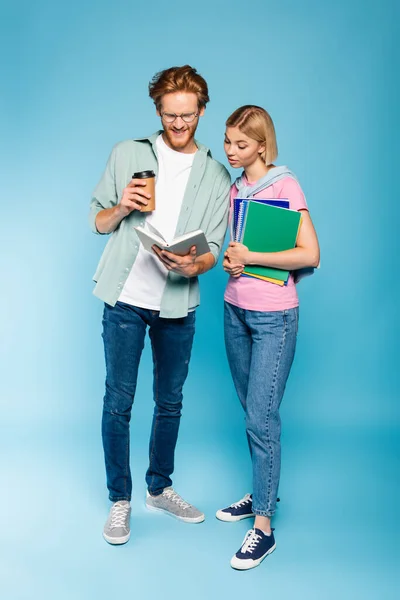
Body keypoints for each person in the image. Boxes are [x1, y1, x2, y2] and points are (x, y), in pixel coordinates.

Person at [89, 65, 230, 545]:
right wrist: (125, 205)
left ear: (202, 110)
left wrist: (197, 266)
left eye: (187, 115)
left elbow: (212, 244)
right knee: (118, 401)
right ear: (157, 110)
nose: (178, 124)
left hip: (178, 301)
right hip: (125, 298)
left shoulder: (215, 173)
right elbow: (99, 221)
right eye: (170, 115)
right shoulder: (127, 152)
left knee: (169, 402)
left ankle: (159, 488)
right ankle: (120, 499)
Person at [217, 105, 320, 570]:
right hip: (235, 308)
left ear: (262, 144)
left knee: (262, 418)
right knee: (250, 412)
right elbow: (235, 250)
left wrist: (253, 253)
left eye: (241, 144)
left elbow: (310, 253)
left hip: (273, 317)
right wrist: (230, 261)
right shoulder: (236, 187)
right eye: (228, 142)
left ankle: (263, 526)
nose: (232, 151)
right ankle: (262, 491)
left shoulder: (285, 184)